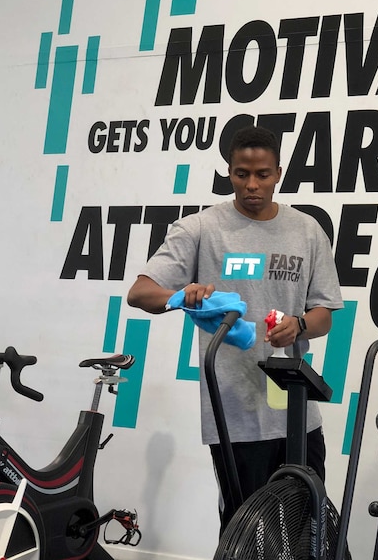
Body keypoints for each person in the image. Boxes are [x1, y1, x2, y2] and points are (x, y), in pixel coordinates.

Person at [126, 125, 344, 532]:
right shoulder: (201, 229)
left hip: (295, 409)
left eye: (262, 174)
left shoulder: (307, 231)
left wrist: (298, 326)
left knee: (307, 530)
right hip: (234, 415)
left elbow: (324, 316)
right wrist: (181, 296)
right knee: (246, 533)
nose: (252, 185)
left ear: (278, 173)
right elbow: (140, 294)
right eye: (242, 174)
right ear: (229, 172)